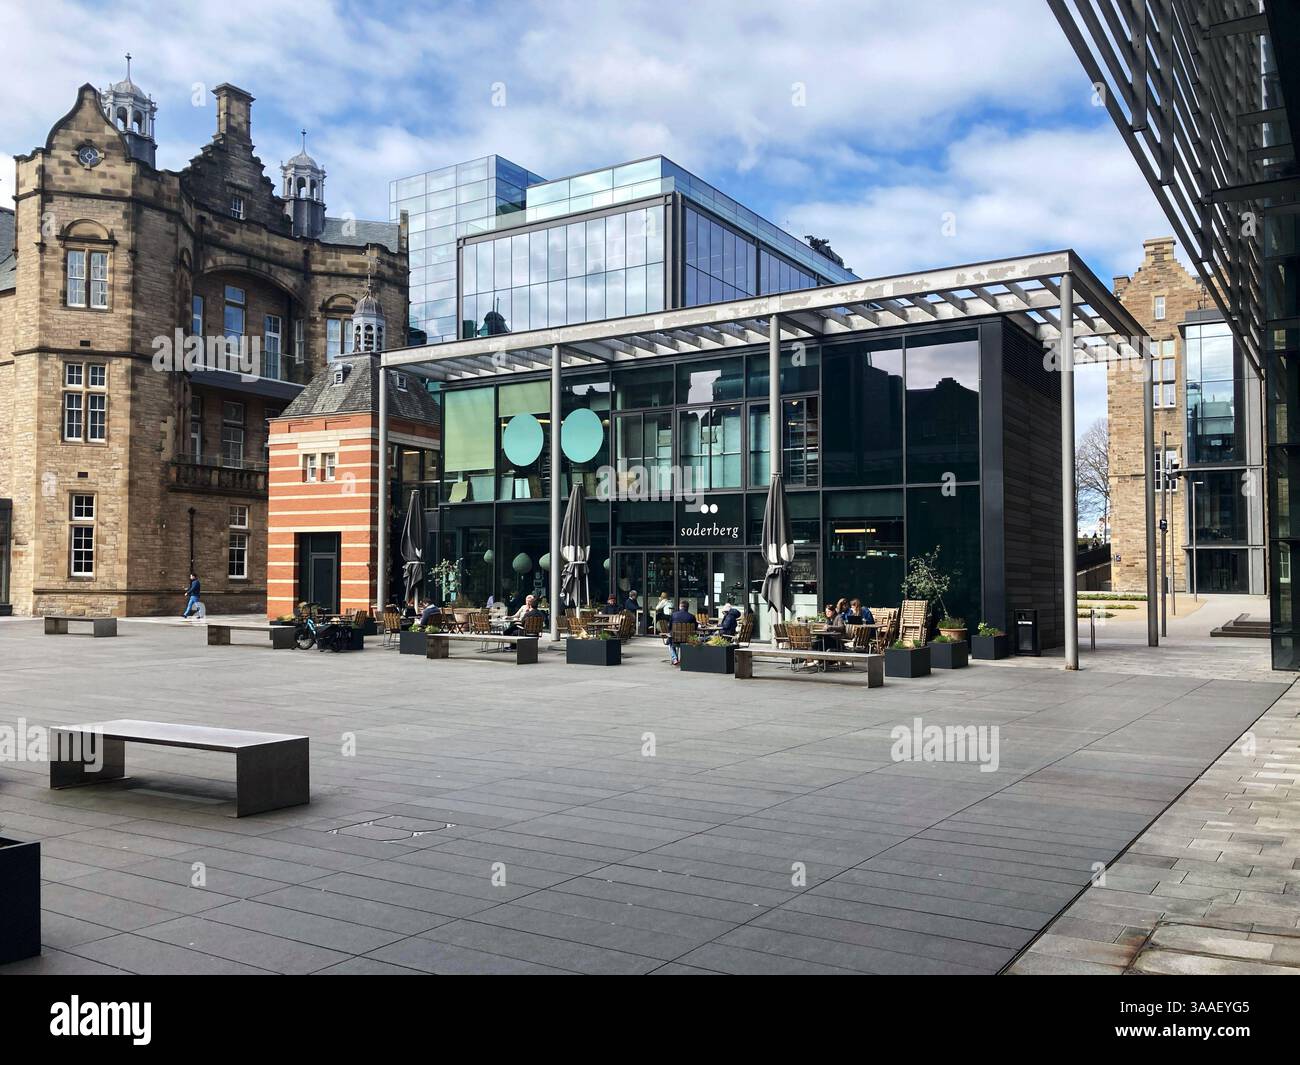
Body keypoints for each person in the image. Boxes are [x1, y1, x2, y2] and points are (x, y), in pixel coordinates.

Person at [666, 599, 697, 666]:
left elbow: (670, 627)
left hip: (675, 639)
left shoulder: (673, 615)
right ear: (687, 607)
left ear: (680, 606)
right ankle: (685, 659)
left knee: (669, 641)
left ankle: (674, 658)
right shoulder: (692, 617)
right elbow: (695, 627)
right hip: (688, 640)